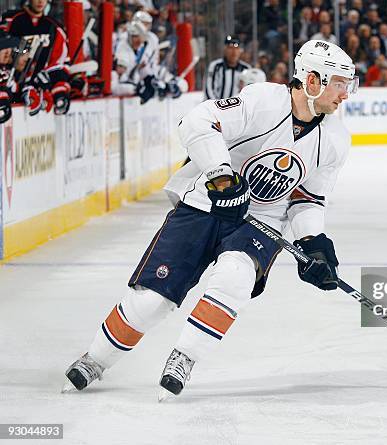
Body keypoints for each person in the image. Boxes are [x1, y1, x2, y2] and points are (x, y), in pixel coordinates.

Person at [63, 40, 358, 399]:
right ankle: (96, 359)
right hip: (204, 205)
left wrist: (313, 242)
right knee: (151, 301)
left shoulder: (336, 140)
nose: (346, 94)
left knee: (235, 277)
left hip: (260, 221)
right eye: (340, 83)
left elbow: (307, 198)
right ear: (312, 80)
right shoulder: (263, 100)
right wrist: (221, 176)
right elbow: (196, 120)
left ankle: (184, 357)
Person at [0, 0, 70, 115]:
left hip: (33, 86)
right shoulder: (10, 21)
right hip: (10, 83)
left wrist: (58, 89)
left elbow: (58, 63)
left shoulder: (54, 28)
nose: (40, 1)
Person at [203, 35, 251, 100]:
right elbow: (209, 90)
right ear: (225, 49)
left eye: (236, 48)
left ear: (240, 50)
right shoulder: (215, 66)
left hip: (237, 109)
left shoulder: (246, 68)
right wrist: (217, 108)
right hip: (215, 107)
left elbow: (249, 92)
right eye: (230, 47)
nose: (234, 52)